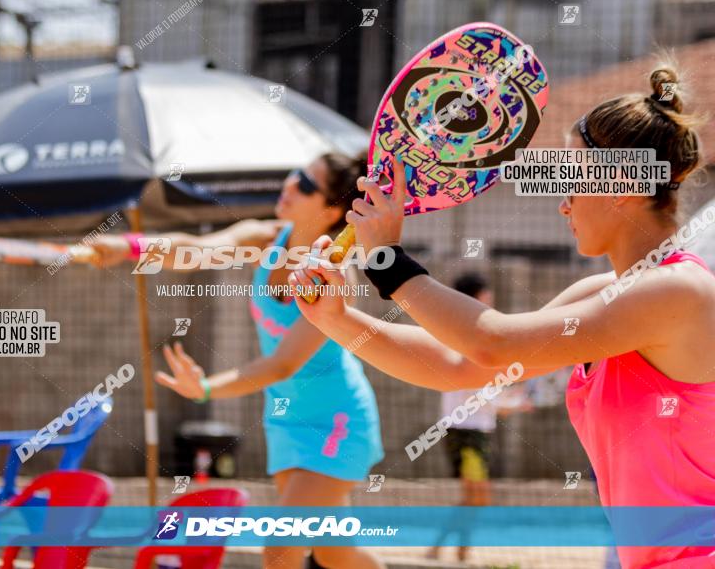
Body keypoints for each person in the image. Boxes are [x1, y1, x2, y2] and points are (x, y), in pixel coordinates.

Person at [291, 62, 715, 567]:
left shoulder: (677, 291)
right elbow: (465, 367)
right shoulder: (610, 291)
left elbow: (495, 341)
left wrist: (388, 260)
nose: (563, 201)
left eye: (572, 177)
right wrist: (339, 321)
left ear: (623, 184)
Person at [93, 153, 386, 569]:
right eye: (293, 173)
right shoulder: (266, 239)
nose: (288, 184)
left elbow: (282, 365)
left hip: (337, 422)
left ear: (332, 210)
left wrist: (207, 388)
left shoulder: (334, 277)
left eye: (304, 184)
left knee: (280, 546)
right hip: (286, 418)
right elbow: (193, 249)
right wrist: (128, 247)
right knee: (333, 550)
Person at [427, 272, 532, 563]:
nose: (490, 304)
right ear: (472, 300)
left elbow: (485, 392)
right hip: (466, 430)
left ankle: (453, 550)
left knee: (475, 497)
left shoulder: (460, 335)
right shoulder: (467, 338)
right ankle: (446, 549)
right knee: (477, 497)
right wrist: (514, 401)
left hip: (469, 430)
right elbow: (483, 394)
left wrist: (511, 399)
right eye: (486, 299)